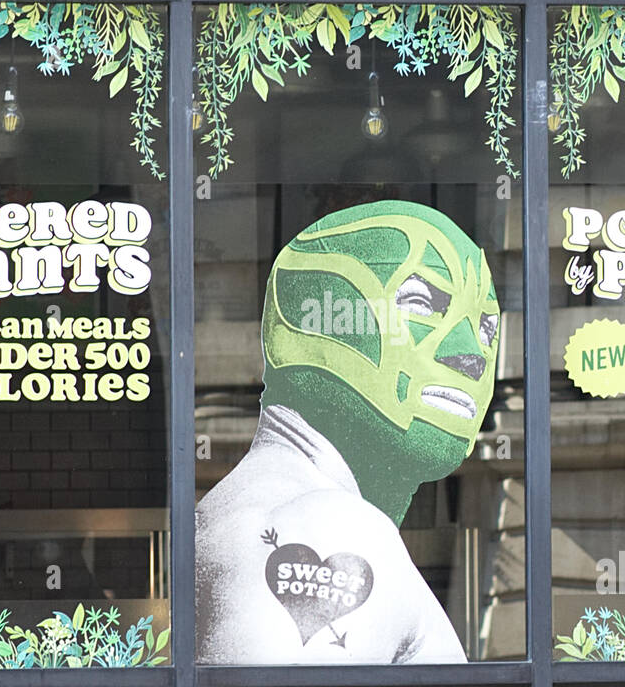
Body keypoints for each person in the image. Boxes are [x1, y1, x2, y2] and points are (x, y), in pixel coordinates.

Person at [195, 200, 500, 663]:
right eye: (419, 302)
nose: (469, 353)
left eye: (486, 328)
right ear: (303, 319)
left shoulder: (271, 512)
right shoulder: (331, 529)